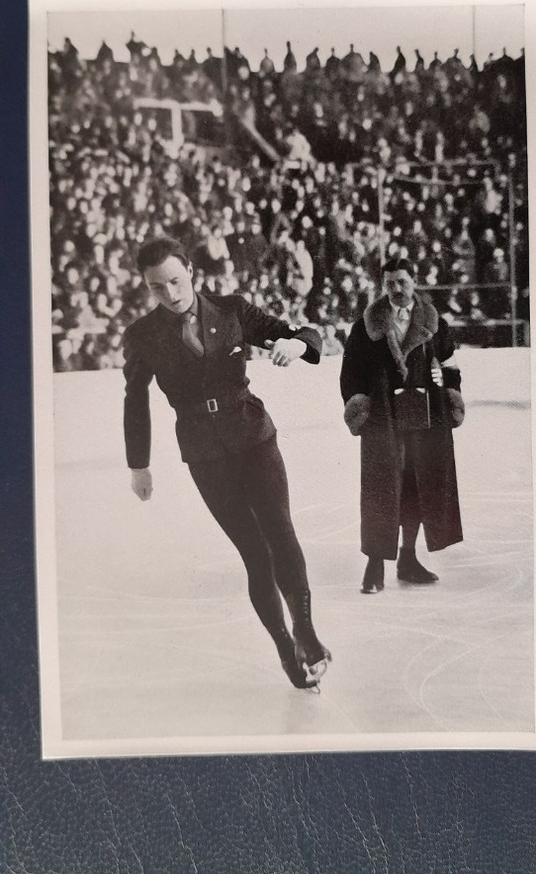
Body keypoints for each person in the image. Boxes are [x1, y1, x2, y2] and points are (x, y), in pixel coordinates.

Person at [123, 236, 330, 689]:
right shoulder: (143, 336)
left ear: (191, 272)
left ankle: (307, 633)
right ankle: (284, 646)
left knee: (281, 532)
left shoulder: (232, 310)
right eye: (158, 288)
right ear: (148, 287)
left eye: (176, 281)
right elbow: (134, 399)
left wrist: (296, 348)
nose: (171, 294)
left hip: (254, 438)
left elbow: (305, 335)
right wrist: (138, 463)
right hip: (205, 456)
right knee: (255, 554)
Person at [340, 257, 464, 594]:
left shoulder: (436, 324)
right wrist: (359, 405)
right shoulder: (365, 328)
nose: (396, 289)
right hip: (383, 422)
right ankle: (375, 564)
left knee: (415, 488)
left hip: (425, 420)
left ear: (415, 281)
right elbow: (350, 375)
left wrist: (449, 390)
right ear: (383, 286)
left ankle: (408, 558)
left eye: (402, 282)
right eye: (390, 283)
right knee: (382, 491)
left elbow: (451, 366)